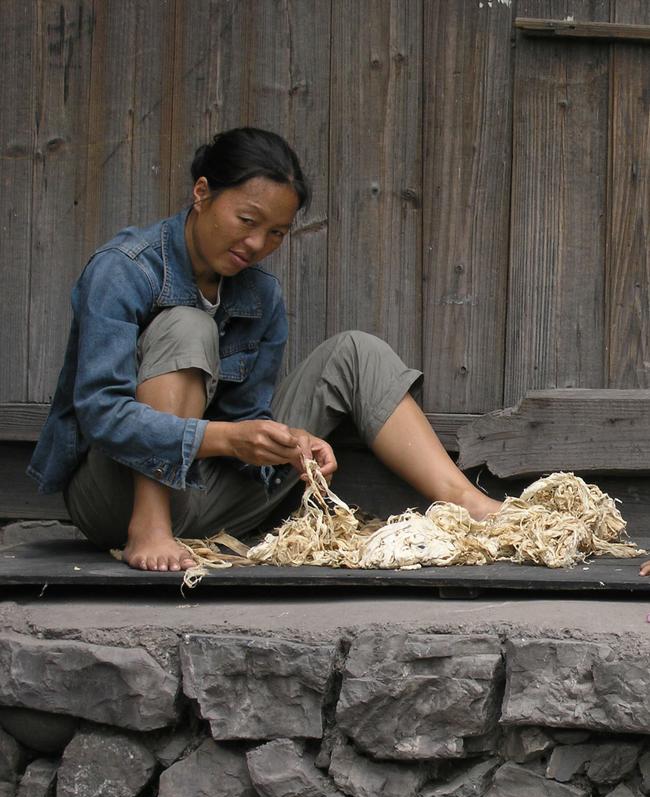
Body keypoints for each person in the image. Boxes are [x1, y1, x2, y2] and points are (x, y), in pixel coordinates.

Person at [28, 127, 500, 572]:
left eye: (276, 233)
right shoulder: (124, 270)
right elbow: (101, 413)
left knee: (357, 351)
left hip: (211, 500)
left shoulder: (259, 295)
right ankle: (151, 527)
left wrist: (288, 443)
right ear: (202, 193)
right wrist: (229, 438)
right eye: (247, 221)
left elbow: (246, 414)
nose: (256, 244)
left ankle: (473, 507)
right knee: (185, 326)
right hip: (115, 501)